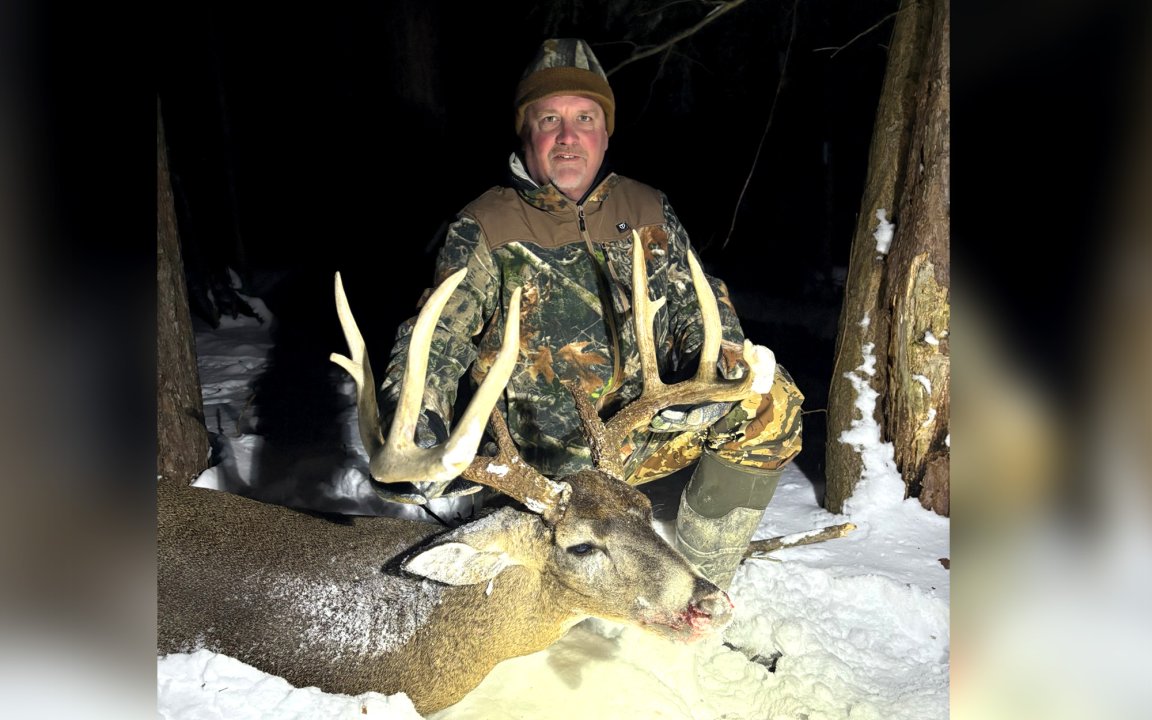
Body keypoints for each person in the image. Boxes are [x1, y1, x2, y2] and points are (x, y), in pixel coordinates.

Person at [377, 38, 803, 589]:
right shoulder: (484, 226)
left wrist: (718, 365)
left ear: (605, 134)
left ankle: (698, 582)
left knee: (770, 402)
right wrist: (416, 432)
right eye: (548, 118)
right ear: (525, 132)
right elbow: (436, 342)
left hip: (635, 438)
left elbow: (697, 306)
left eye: (584, 117)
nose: (567, 135)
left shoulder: (647, 208)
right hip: (544, 472)